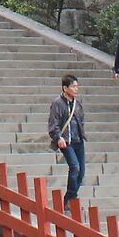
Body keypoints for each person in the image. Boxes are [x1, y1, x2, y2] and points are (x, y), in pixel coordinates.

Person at [48, 74, 87, 204]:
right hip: (66, 141)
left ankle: (69, 198)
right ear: (65, 88)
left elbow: (81, 120)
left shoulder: (77, 104)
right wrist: (58, 137)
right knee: (75, 167)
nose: (76, 89)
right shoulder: (57, 104)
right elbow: (54, 123)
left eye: (77, 86)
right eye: (73, 86)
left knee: (81, 172)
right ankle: (70, 200)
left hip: (78, 140)